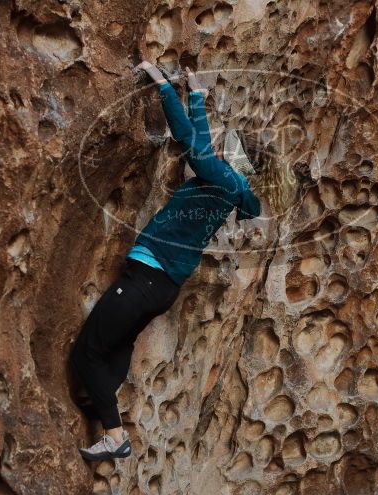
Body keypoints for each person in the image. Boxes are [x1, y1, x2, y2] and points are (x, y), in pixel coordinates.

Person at [71, 61, 264, 461]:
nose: (227, 149)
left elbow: (191, 141)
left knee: (87, 351)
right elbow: (201, 143)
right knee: (115, 345)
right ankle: (98, 399)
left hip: (147, 279)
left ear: (238, 160)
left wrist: (162, 85)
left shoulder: (223, 179)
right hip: (159, 287)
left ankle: (114, 436)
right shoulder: (232, 186)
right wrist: (195, 95)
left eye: (235, 149)